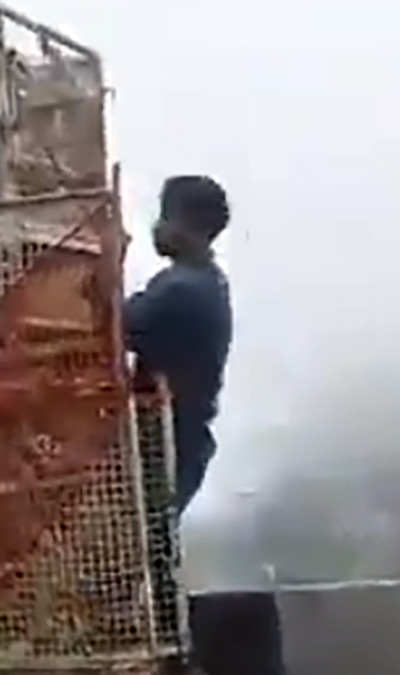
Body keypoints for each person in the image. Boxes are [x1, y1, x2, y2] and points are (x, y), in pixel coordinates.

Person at [124, 175, 233, 515]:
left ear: (189, 226)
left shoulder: (182, 290)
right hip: (180, 447)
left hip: (166, 449)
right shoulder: (206, 281)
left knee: (141, 527)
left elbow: (117, 324)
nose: (157, 227)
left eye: (165, 217)